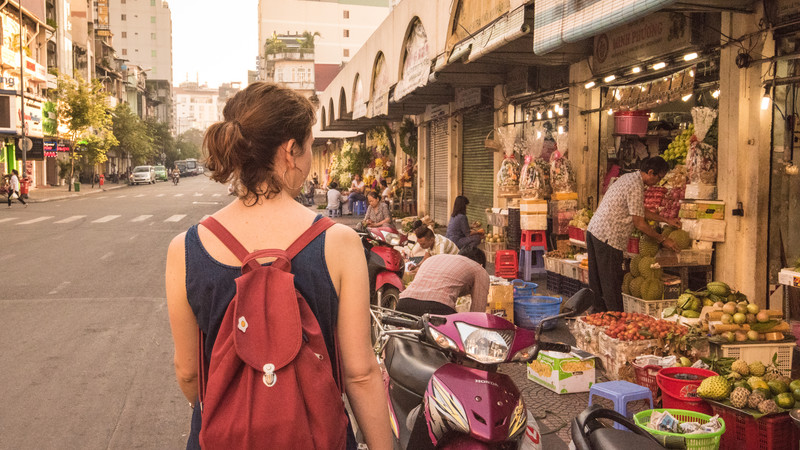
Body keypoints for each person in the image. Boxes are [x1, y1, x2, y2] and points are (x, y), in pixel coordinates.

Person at [165, 82, 391, 450]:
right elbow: (361, 374)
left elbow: (189, 373)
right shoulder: (339, 243)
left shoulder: (186, 250)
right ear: (290, 151)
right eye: (310, 147)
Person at [586, 156, 681, 312]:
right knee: (611, 284)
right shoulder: (636, 186)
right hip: (609, 237)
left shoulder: (629, 178)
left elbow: (638, 211)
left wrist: (666, 219)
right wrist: (663, 240)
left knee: (597, 284)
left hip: (595, 231)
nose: (658, 182)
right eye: (659, 177)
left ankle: (598, 318)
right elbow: (640, 223)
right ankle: (615, 320)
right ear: (651, 172)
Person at [396, 247, 489, 316]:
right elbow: (477, 313)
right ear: (481, 265)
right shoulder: (479, 269)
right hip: (437, 308)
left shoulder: (435, 258)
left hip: (404, 302)